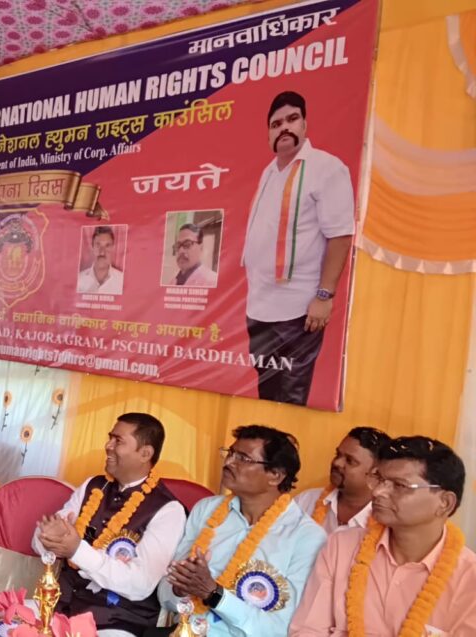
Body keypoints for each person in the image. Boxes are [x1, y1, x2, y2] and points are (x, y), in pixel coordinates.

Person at [290, 436, 476, 636]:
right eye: (379, 479)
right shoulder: (341, 547)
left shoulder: (469, 579)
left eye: (399, 485)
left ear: (445, 503)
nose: (378, 492)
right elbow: (309, 630)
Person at [242, 91, 356, 405]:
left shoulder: (326, 168)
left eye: (292, 119)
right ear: (268, 134)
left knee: (291, 398)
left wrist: (324, 296)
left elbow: (341, 236)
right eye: (276, 123)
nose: (284, 127)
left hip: (298, 311)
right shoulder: (269, 171)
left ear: (304, 124)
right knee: (266, 394)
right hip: (259, 309)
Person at [159, 425, 326, 636]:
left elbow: (280, 628)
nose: (228, 463)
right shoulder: (206, 509)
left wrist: (214, 594)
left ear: (275, 476)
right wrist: (180, 588)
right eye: (230, 453)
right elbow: (164, 594)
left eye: (243, 458)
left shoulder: (307, 538)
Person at [33, 413, 186, 637]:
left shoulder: (168, 511)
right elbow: (41, 540)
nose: (108, 446)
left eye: (118, 441)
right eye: (110, 438)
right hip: (59, 605)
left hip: (115, 622)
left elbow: (140, 584)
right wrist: (47, 538)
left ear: (145, 453)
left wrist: (76, 551)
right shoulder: (93, 485)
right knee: (6, 622)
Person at [294, 426, 390, 534]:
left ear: (376, 474)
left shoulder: (386, 520)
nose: (337, 463)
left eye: (350, 460)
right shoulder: (305, 501)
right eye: (338, 454)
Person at [77, 226, 124, 295]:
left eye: (107, 246)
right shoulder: (79, 279)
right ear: (92, 247)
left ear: (113, 248)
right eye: (98, 245)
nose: (102, 252)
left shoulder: (122, 280)